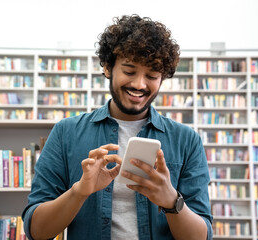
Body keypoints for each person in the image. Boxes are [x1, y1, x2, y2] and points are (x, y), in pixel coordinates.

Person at [22, 14, 213, 240]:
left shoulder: (186, 140)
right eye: (129, 71)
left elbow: (202, 236)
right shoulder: (66, 132)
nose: (139, 84)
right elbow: (37, 231)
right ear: (107, 68)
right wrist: (79, 191)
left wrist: (172, 201)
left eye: (151, 75)